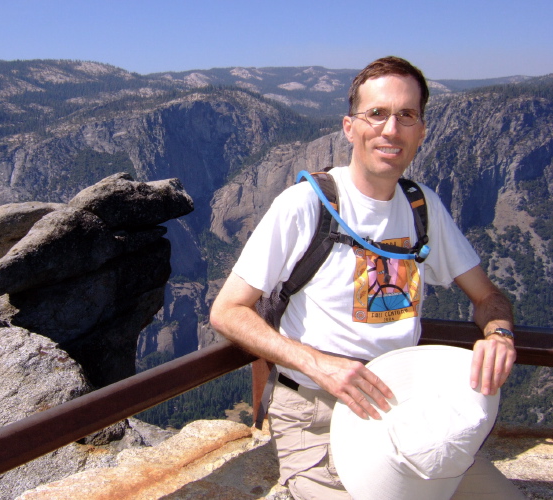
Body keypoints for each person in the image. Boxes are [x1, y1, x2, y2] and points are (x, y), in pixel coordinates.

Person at [209, 56, 522, 499]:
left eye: (406, 115)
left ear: (422, 130)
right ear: (349, 126)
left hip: (405, 407)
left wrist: (500, 334)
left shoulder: (423, 207)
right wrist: (318, 363)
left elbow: (488, 296)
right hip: (316, 414)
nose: (391, 129)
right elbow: (226, 311)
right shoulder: (304, 206)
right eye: (376, 114)